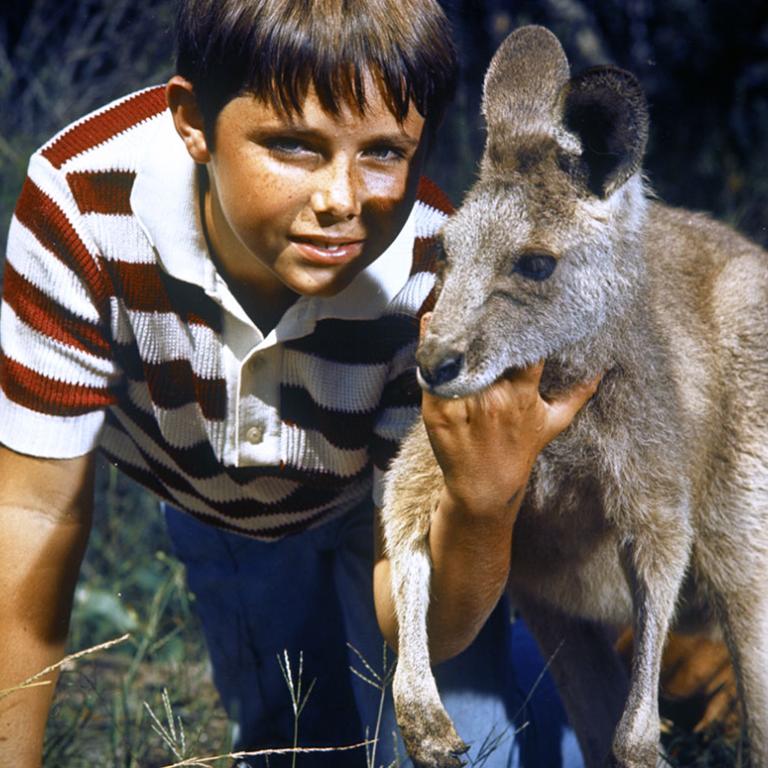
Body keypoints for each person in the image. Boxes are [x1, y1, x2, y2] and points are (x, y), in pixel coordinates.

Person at [0, 2, 727, 767]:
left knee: (458, 751)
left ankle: (609, 686)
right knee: (295, 747)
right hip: (207, 494)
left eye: (383, 153)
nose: (342, 201)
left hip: (373, 506)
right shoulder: (82, 203)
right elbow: (29, 513)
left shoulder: (429, 279)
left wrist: (481, 507)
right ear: (194, 122)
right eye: (292, 146)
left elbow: (414, 605)